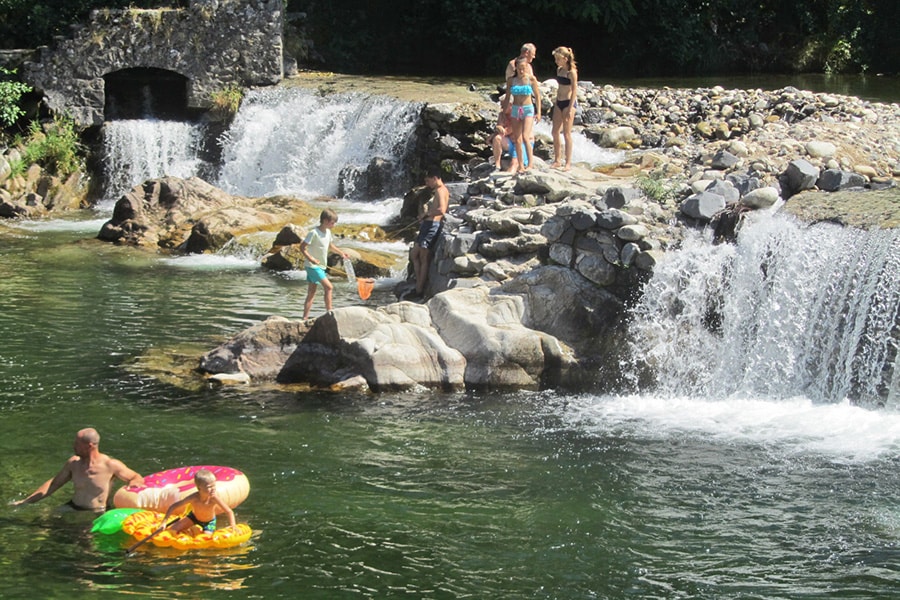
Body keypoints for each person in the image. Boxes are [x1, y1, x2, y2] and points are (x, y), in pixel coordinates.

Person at [10, 428, 144, 512]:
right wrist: (26, 501)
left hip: (97, 512)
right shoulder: (73, 463)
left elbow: (136, 477)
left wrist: (132, 487)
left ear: (89, 446)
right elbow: (54, 484)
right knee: (43, 524)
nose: (73, 446)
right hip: (73, 506)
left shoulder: (110, 465)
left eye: (77, 444)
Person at [154, 469, 236, 536]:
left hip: (209, 522)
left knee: (205, 541)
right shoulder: (193, 498)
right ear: (199, 488)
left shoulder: (214, 498)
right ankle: (190, 528)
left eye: (214, 485)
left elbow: (229, 511)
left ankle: (199, 530)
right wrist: (164, 522)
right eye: (209, 487)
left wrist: (233, 525)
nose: (213, 489)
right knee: (171, 531)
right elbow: (173, 506)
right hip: (193, 518)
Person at [300, 208, 349, 320]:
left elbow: (331, 246)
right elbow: (302, 247)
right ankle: (329, 313)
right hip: (312, 266)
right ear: (326, 221)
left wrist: (342, 253)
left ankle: (305, 318)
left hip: (321, 267)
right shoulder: (313, 233)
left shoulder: (328, 232)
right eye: (332, 223)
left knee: (311, 293)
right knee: (329, 287)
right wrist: (311, 259)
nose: (334, 225)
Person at [411, 167, 449, 298]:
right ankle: (418, 284)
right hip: (428, 224)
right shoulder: (439, 190)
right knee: (414, 254)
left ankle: (419, 290)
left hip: (432, 225)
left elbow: (442, 210)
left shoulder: (440, 191)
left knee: (423, 258)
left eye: (428, 181)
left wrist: (426, 214)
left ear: (435, 178)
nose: (427, 184)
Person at [507, 57, 541, 172]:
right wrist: (504, 110)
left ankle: (530, 164)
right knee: (517, 139)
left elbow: (537, 96)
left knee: (526, 137)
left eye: (524, 68)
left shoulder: (531, 79)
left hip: (528, 109)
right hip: (516, 109)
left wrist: (539, 112)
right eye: (519, 68)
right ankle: (520, 165)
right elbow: (507, 97)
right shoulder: (511, 80)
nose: (522, 71)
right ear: (515, 68)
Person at [551, 46, 578, 171]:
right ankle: (557, 160)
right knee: (555, 132)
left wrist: (570, 106)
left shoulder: (571, 72)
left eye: (558, 59)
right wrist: (556, 102)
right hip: (559, 102)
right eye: (555, 59)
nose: (556, 61)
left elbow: (574, 90)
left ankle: (568, 162)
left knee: (567, 133)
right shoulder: (559, 70)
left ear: (565, 59)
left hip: (568, 103)